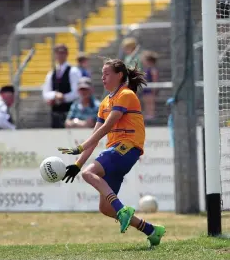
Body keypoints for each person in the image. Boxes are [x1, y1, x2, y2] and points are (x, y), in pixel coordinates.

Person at [57, 58, 166, 247]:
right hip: (116, 151)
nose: (103, 77)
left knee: (89, 174)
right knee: (106, 208)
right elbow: (96, 136)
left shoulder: (126, 94)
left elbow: (107, 126)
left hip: (127, 147)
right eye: (102, 74)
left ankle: (122, 210)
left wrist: (81, 148)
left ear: (119, 75)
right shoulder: (105, 102)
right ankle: (152, 230)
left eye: (107, 73)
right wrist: (77, 164)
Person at [42, 44, 82, 128]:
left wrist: (63, 97)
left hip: (70, 112)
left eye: (62, 53)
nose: (60, 55)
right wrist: (54, 95)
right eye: (58, 53)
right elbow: (45, 93)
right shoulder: (51, 73)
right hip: (55, 113)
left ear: (67, 54)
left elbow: (76, 92)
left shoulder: (73, 71)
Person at [141, 51, 159, 121]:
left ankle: (151, 114)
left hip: (150, 88)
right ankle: (147, 114)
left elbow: (155, 79)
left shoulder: (153, 69)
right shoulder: (146, 69)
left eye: (144, 60)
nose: (143, 61)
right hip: (145, 88)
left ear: (149, 61)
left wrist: (154, 89)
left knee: (150, 102)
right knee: (146, 101)